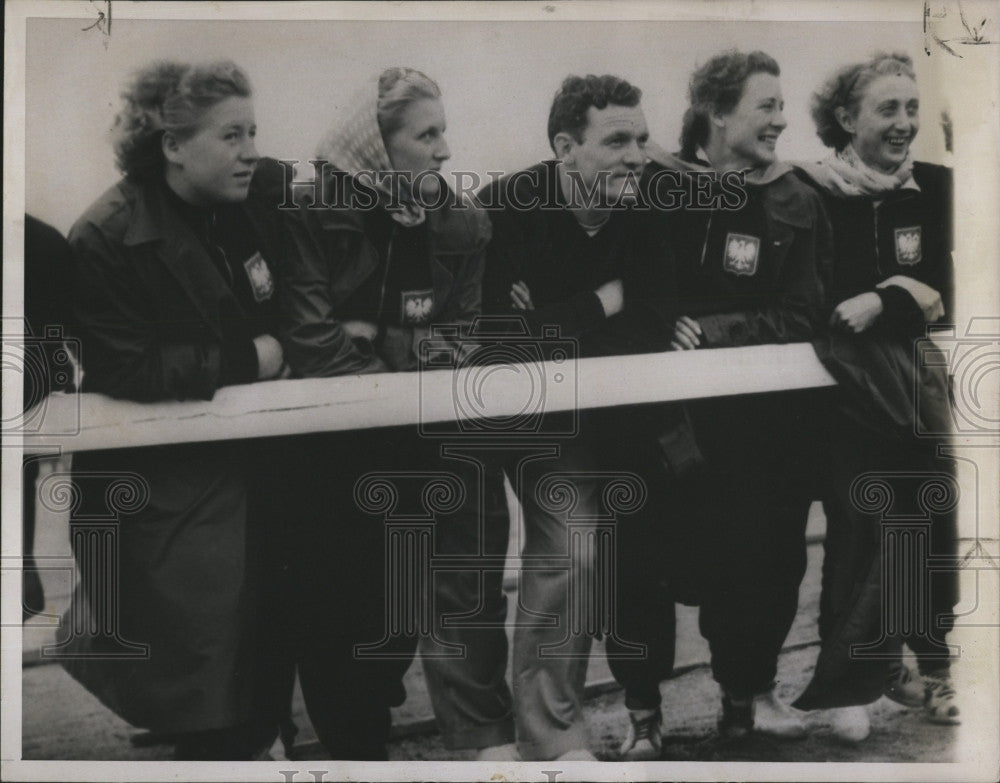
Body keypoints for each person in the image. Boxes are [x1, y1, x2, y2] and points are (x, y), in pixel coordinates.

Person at [422, 74, 674, 762]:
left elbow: (652, 317)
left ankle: (551, 735)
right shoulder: (502, 208)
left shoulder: (649, 207)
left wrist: (559, 315)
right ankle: (482, 739)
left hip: (562, 409)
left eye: (642, 139)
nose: (636, 155)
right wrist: (601, 302)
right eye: (616, 140)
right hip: (475, 405)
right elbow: (498, 335)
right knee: (465, 566)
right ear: (565, 146)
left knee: (573, 549)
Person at [59, 60, 288, 760]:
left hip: (253, 474)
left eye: (253, 131)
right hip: (167, 492)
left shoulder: (252, 209)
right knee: (204, 696)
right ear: (172, 144)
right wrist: (257, 358)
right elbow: (124, 363)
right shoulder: (106, 235)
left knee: (256, 678)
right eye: (231, 135)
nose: (251, 149)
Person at [609, 50, 830, 756]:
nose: (780, 118)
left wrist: (711, 330)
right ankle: (645, 716)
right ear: (717, 112)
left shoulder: (797, 195)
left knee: (760, 565)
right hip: (656, 424)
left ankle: (744, 704)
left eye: (780, 104)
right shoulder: (651, 186)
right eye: (765, 105)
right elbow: (615, 282)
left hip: (758, 430)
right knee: (639, 567)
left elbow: (804, 312)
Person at [274, 67, 490, 760]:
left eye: (444, 131)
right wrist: (392, 354)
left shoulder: (462, 222)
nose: (445, 150)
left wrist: (375, 337)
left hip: (412, 448)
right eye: (427, 134)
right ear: (377, 144)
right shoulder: (309, 214)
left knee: (396, 617)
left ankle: (365, 729)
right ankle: (351, 747)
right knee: (337, 615)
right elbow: (310, 339)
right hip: (325, 456)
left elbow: (460, 337)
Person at [792, 52, 958, 741]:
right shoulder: (813, 192)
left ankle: (936, 666)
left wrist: (893, 294)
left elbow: (952, 293)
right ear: (844, 119)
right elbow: (821, 301)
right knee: (860, 528)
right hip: (846, 393)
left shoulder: (939, 187)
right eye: (887, 109)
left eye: (911, 108)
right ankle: (855, 681)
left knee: (931, 516)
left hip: (919, 383)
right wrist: (909, 293)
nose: (904, 123)